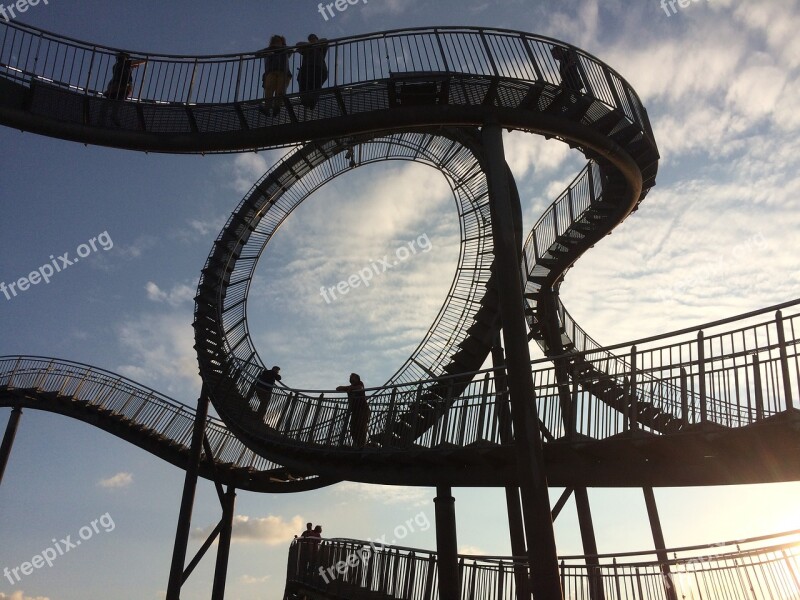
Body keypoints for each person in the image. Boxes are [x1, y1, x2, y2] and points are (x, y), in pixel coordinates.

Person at [104, 51, 144, 125]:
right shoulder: (124, 63)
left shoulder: (116, 66)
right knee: (117, 103)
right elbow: (138, 62)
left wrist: (131, 66)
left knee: (110, 102)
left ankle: (104, 118)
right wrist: (145, 60)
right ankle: (113, 117)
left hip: (112, 87)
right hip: (121, 88)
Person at [260, 35, 293, 117]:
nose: (276, 42)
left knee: (280, 91)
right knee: (268, 89)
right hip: (271, 72)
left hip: (283, 72)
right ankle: (267, 108)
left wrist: (277, 48)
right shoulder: (268, 50)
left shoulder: (285, 48)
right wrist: (272, 49)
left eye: (278, 40)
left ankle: (277, 107)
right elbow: (257, 54)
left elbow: (290, 51)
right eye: (275, 41)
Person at [295, 34, 329, 110]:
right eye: (310, 39)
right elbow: (298, 45)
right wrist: (312, 45)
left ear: (317, 38)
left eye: (313, 38)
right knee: (304, 84)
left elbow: (325, 40)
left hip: (319, 68)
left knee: (316, 85)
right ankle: (305, 100)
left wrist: (313, 44)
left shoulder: (321, 46)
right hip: (306, 68)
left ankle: (312, 101)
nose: (312, 39)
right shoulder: (307, 47)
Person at [337, 373, 370, 447]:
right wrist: (346, 388)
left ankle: (361, 445)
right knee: (353, 428)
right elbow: (338, 388)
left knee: (361, 427)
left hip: (363, 409)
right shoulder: (350, 387)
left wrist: (350, 388)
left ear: (357, 378)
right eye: (351, 377)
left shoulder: (360, 383)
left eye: (353, 377)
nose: (351, 378)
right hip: (355, 410)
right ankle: (358, 444)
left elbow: (360, 388)